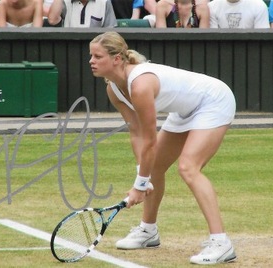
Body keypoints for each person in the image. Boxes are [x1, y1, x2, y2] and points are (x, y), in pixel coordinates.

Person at [89, 31, 237, 265]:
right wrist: (143, 174)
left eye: (97, 56)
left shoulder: (140, 85)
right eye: (91, 56)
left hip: (213, 101)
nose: (91, 61)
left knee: (188, 168)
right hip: (185, 110)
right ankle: (148, 232)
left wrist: (139, 185)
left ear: (117, 59)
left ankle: (221, 243)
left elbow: (150, 140)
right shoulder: (114, 89)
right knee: (154, 167)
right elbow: (136, 132)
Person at [47, 0, 117, 27]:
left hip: (97, 50)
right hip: (70, 46)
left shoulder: (104, 2)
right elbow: (52, 20)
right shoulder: (65, 2)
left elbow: (111, 32)